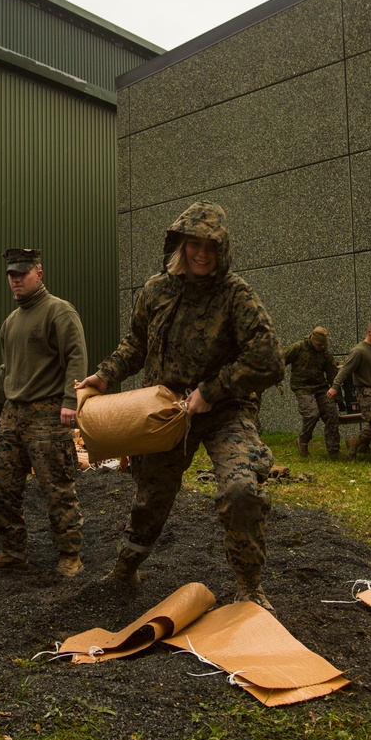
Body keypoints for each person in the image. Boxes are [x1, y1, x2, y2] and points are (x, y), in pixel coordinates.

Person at [77, 201, 284, 613]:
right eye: (194, 244)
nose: (202, 254)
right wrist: (104, 376)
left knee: (241, 490)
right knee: (150, 496)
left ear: (222, 249)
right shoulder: (157, 289)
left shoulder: (235, 294)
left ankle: (249, 586)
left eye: (210, 246)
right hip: (168, 410)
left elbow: (269, 356)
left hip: (225, 410)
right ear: (180, 245)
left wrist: (213, 389)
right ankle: (126, 567)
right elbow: (136, 343)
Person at [0, 248, 87, 577]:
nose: (15, 280)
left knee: (56, 488)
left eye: (21, 274)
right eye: (11, 275)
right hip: (13, 414)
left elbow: (76, 356)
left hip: (49, 412)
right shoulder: (10, 322)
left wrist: (72, 400)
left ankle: (70, 555)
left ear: (38, 274)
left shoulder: (58, 311)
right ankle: (13, 551)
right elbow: (6, 368)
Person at [327, 321, 371, 466]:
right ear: (369, 332)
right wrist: (335, 387)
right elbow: (345, 370)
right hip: (366, 392)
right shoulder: (359, 351)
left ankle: (355, 442)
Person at [284, 326, 340, 459]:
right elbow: (280, 361)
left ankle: (334, 451)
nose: (321, 347)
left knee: (331, 413)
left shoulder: (325, 352)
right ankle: (303, 441)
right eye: (319, 344)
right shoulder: (298, 347)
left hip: (320, 387)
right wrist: (276, 380)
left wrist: (337, 394)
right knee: (312, 414)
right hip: (302, 387)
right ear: (312, 340)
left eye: (324, 344)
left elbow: (332, 373)